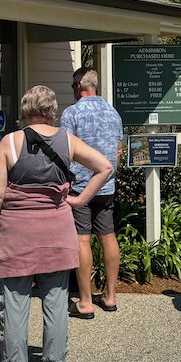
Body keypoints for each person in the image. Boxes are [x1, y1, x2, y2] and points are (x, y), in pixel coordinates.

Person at [0, 85, 112, 362]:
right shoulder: (67, 140)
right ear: (52, 109)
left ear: (25, 109)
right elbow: (105, 167)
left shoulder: (9, 142)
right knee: (55, 305)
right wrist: (79, 199)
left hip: (16, 234)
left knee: (13, 306)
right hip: (57, 232)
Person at [60, 68, 124, 318]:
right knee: (108, 236)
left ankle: (85, 302)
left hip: (79, 188)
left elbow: (64, 151)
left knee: (82, 239)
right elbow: (118, 150)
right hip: (106, 185)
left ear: (78, 86)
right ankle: (110, 296)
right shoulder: (113, 111)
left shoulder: (71, 113)